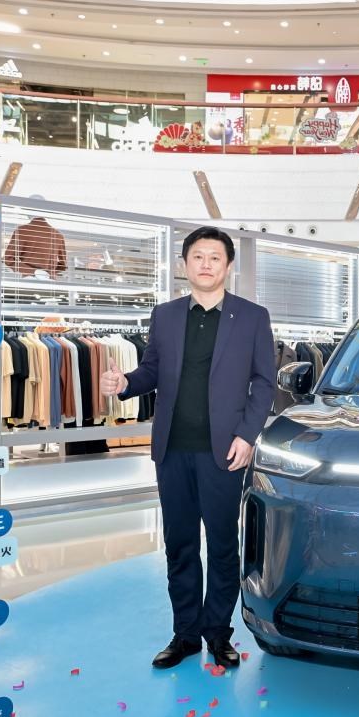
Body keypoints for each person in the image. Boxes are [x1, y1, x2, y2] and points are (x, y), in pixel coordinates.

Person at [99, 227, 277, 670]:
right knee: (179, 545)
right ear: (184, 264)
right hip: (173, 449)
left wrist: (247, 435)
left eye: (215, 257)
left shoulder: (252, 317)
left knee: (222, 545)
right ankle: (185, 635)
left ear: (228, 266)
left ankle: (218, 633)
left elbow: (264, 382)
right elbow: (151, 371)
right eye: (198, 256)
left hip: (225, 451)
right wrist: (125, 383)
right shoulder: (165, 315)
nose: (206, 264)